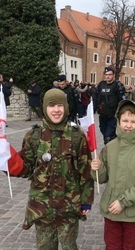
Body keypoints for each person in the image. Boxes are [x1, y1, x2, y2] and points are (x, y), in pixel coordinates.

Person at [15, 89, 94, 249]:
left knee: (69, 246)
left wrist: (86, 201)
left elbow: (85, 170)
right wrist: (9, 163)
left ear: (65, 107)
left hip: (69, 207)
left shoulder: (77, 136)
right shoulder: (34, 136)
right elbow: (27, 168)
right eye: (51, 106)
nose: (56, 110)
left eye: (60, 105)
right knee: (45, 246)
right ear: (45, 108)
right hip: (42, 207)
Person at [91, 100, 135, 249]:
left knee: (131, 246)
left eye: (133, 121)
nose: (128, 125)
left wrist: (123, 202)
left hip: (133, 213)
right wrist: (97, 167)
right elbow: (101, 178)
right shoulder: (110, 147)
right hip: (111, 211)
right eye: (125, 120)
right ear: (118, 121)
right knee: (112, 246)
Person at [94, 67, 126, 144]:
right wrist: (92, 110)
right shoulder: (101, 85)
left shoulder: (117, 85)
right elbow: (95, 98)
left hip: (113, 115)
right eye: (106, 74)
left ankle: (110, 150)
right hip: (102, 115)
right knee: (104, 133)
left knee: (108, 136)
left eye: (110, 74)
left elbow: (122, 100)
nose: (108, 76)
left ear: (113, 75)